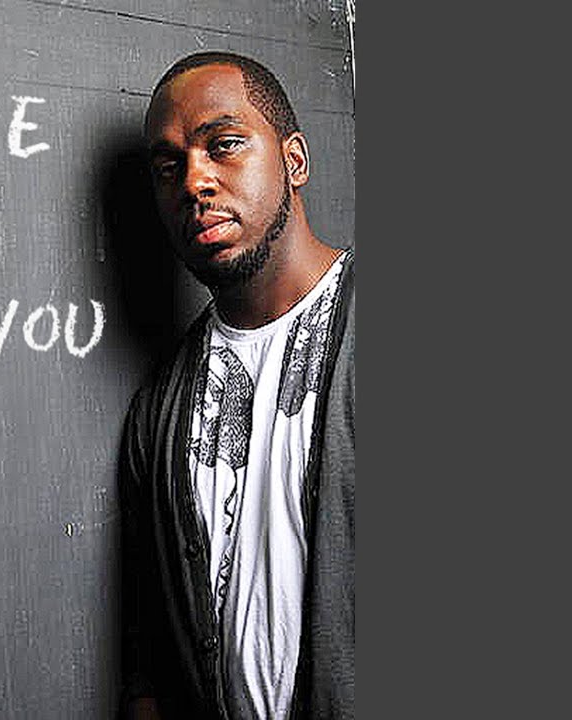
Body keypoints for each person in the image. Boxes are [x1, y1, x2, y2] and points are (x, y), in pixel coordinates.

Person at [120, 51, 355, 720]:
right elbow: (148, 666)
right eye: (169, 167)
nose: (194, 181)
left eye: (223, 144)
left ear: (294, 161)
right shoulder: (158, 412)